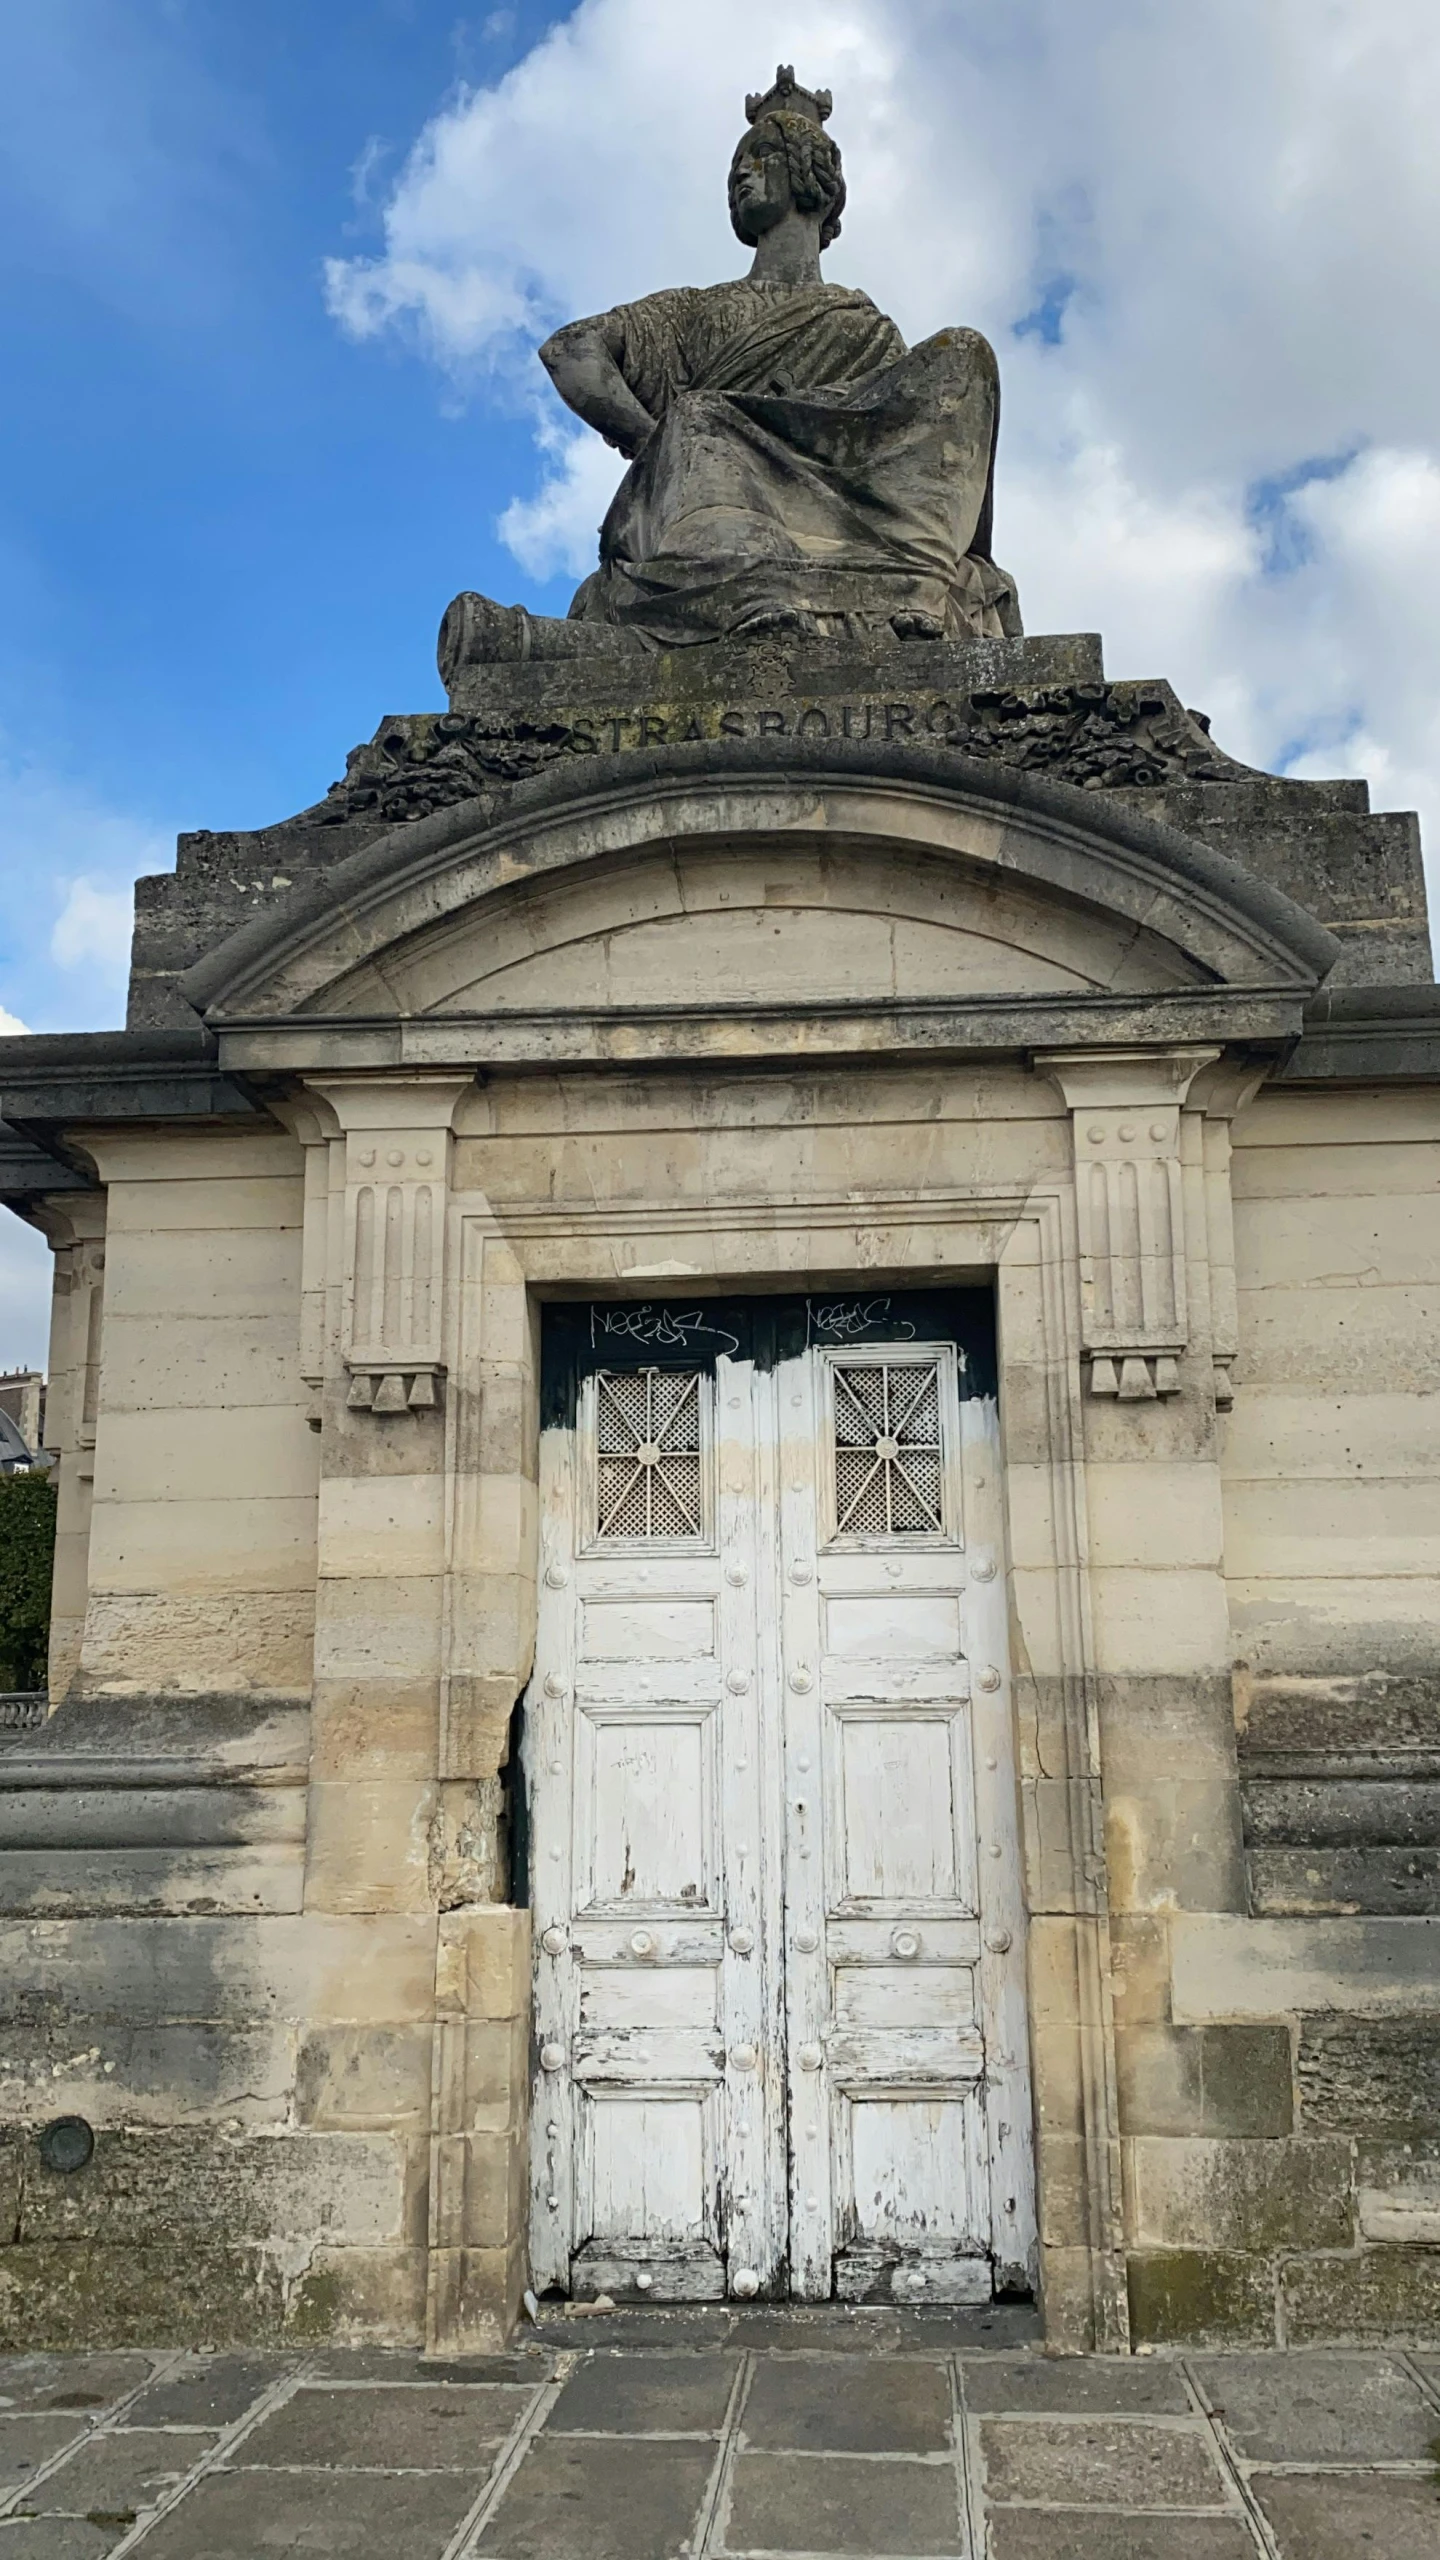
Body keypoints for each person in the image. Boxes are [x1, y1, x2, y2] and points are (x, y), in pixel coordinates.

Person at [438, 66, 1020, 677]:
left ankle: (911, 578)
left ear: (809, 176)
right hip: (720, 490)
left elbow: (882, 445)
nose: (741, 174)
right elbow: (571, 350)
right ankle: (757, 578)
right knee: (702, 416)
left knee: (965, 351)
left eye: (760, 156)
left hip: (849, 503)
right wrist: (654, 444)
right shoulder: (695, 310)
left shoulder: (868, 329)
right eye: (736, 165)